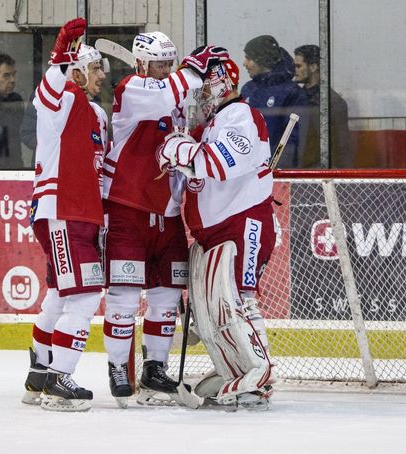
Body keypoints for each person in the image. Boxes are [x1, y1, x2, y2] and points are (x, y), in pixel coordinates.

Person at [100, 32, 228, 407]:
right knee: (124, 295)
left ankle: (155, 366)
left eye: (170, 63)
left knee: (166, 297)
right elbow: (165, 95)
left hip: (167, 212)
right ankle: (117, 368)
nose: (165, 70)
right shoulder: (133, 87)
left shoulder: (175, 90)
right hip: (127, 207)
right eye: (159, 63)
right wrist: (191, 69)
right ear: (141, 63)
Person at [156, 58, 276, 410]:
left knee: (240, 298)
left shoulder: (240, 116)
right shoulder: (212, 124)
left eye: (204, 85)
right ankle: (235, 369)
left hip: (243, 222)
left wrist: (178, 149)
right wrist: (178, 148)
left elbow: (218, 165)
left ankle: (260, 373)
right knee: (215, 310)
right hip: (216, 231)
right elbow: (173, 161)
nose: (200, 93)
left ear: (223, 82)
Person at [21, 18, 110, 412]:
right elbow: (47, 93)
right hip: (62, 211)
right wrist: (59, 55)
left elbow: (101, 170)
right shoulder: (64, 99)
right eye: (94, 69)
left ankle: (39, 374)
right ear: (76, 70)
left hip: (83, 215)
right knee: (86, 294)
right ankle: (60, 379)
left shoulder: (96, 115)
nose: (101, 77)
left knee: (59, 295)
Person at [241, 35, 307, 168]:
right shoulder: (248, 89)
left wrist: (276, 171)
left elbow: (291, 140)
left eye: (249, 58)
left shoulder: (291, 92)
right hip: (246, 170)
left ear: (261, 59)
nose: (244, 63)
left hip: (273, 171)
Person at [293, 44, 351, 168]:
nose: (295, 70)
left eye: (298, 66)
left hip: (319, 171)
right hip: (299, 169)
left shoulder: (332, 102)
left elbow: (342, 146)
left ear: (313, 67)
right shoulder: (297, 97)